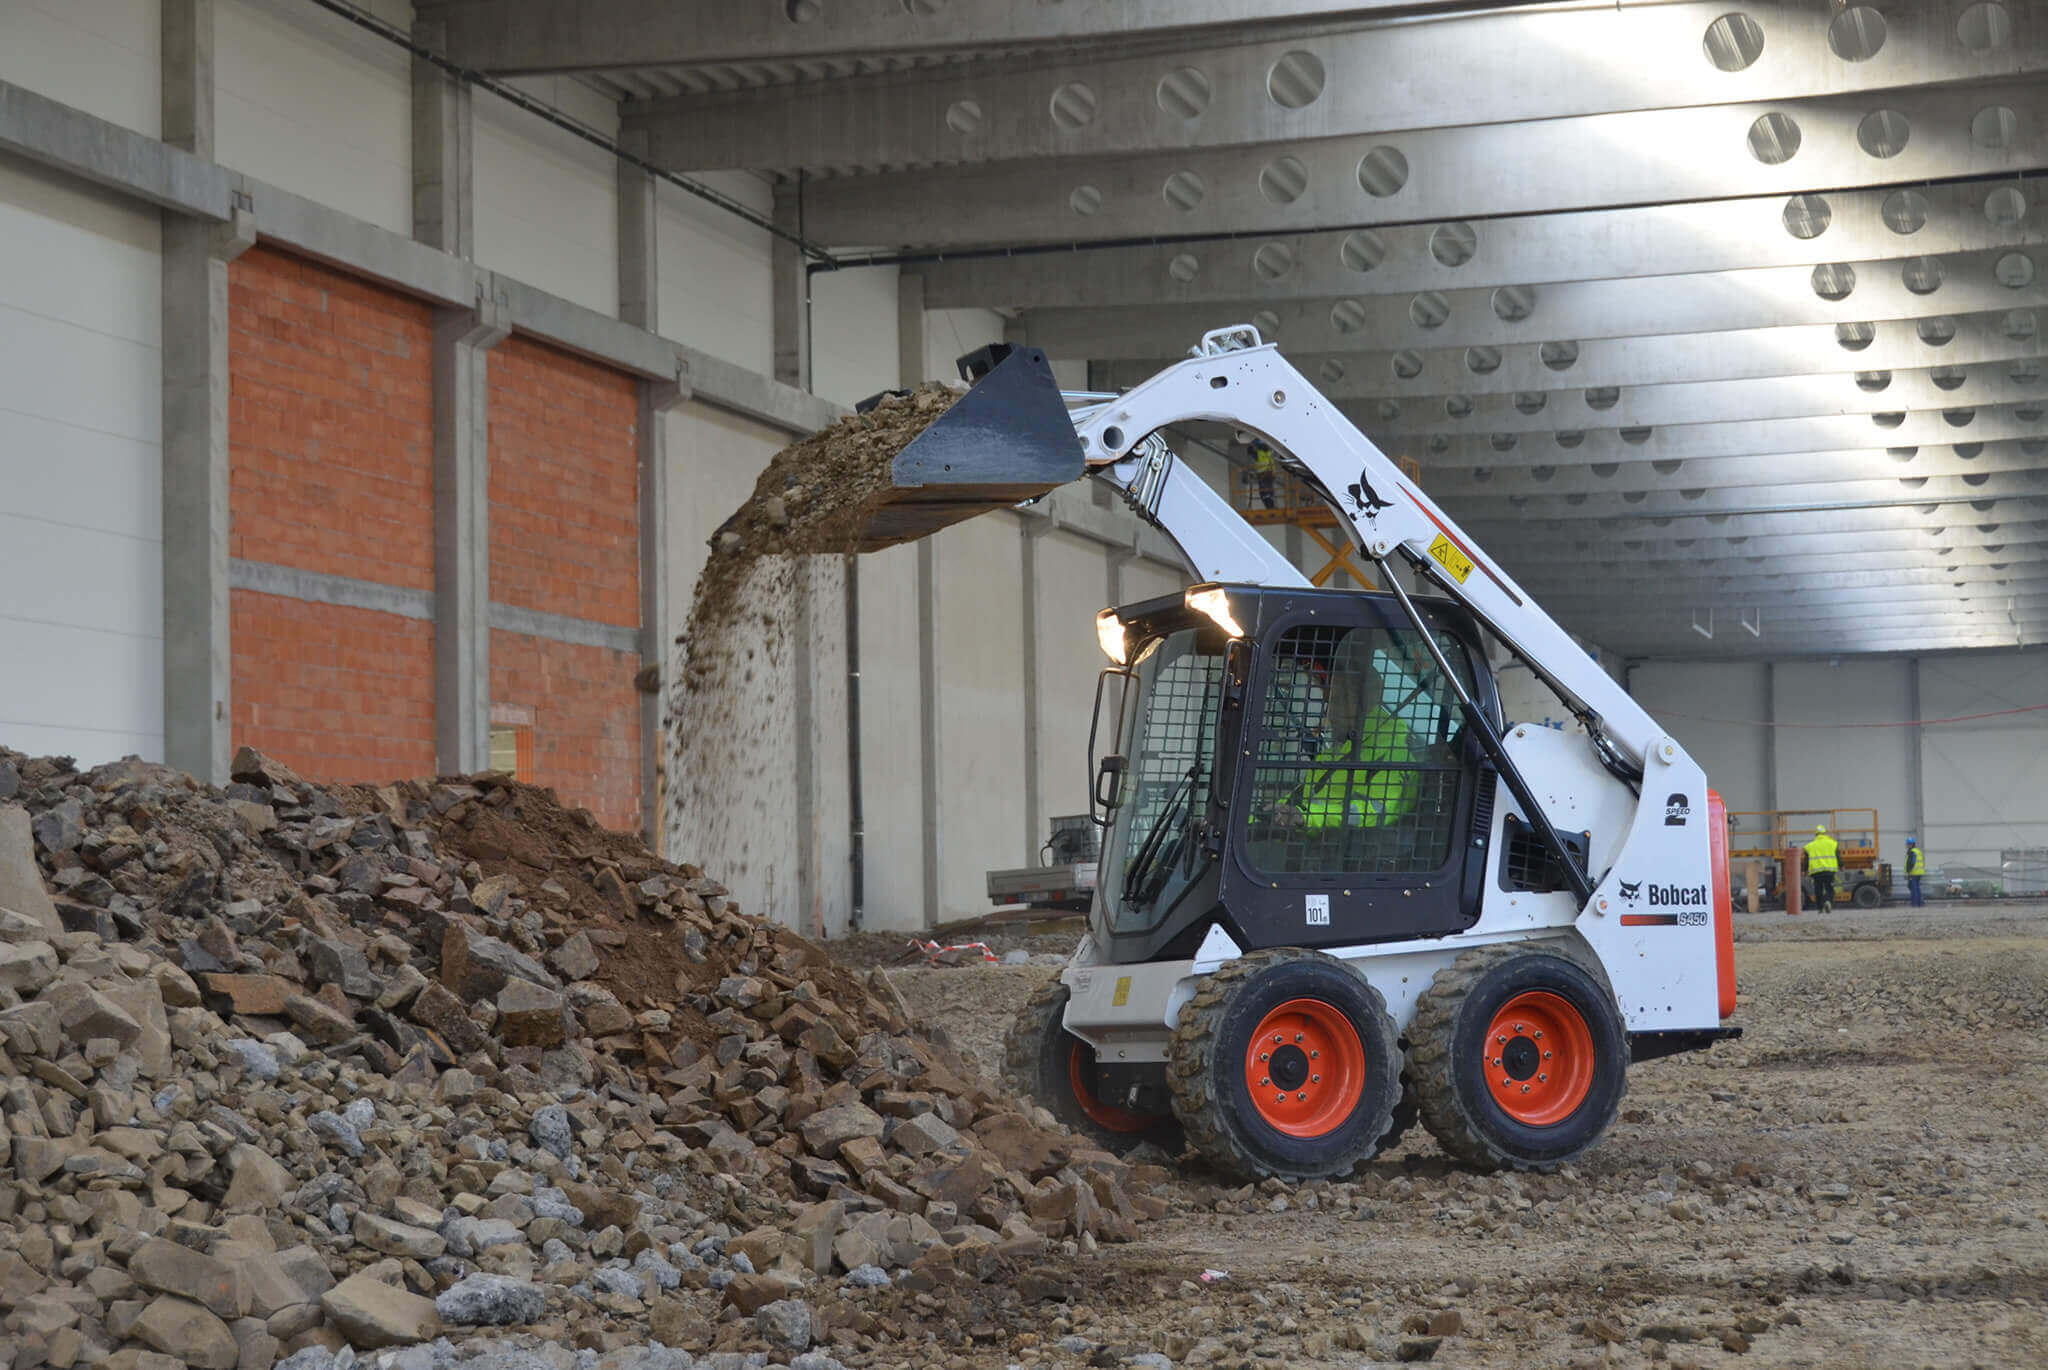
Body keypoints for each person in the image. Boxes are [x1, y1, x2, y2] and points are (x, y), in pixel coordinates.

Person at [1805, 823, 1840, 913]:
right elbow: (1838, 856)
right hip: (1829, 870)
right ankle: (1827, 901)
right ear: (1825, 833)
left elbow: (1806, 860)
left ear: (1816, 834)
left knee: (1818, 889)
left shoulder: (1809, 846)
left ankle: (1820, 908)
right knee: (1829, 888)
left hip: (1816, 872)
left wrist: (1804, 870)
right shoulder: (1833, 844)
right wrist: (1841, 865)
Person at [1249, 438, 1278, 510]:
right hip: (1270, 473)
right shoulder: (1268, 452)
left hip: (1263, 475)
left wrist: (1250, 447)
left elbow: (1250, 452)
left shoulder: (1259, 454)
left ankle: (1270, 507)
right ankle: (1271, 505)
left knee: (1264, 492)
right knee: (1269, 490)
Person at [1905, 838, 1925, 907]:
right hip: (1919, 872)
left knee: (1914, 888)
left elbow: (1911, 863)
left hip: (1914, 873)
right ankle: (1920, 903)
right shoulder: (1918, 851)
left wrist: (1908, 871)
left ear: (1911, 844)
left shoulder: (1912, 852)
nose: (1907, 846)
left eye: (1908, 844)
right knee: (1916, 888)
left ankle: (1915, 903)